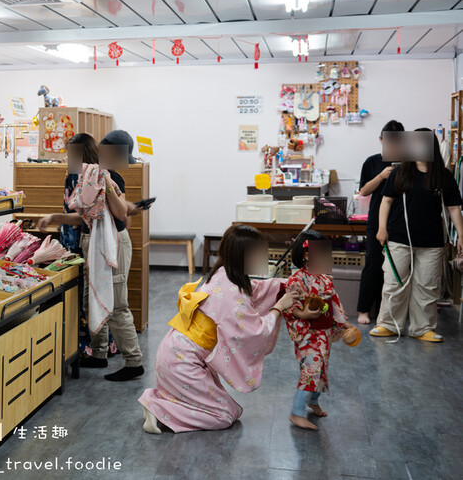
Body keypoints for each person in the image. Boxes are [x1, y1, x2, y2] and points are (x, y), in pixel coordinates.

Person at [138, 225, 296, 433]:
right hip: (183, 361)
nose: (264, 258)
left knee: (229, 409)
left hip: (175, 354)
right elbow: (256, 332)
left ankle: (158, 404)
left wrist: (291, 283)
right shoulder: (233, 297)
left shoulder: (223, 273)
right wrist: (278, 307)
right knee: (223, 416)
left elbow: (257, 290)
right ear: (243, 256)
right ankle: (159, 411)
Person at [39, 133, 144, 381]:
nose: (68, 159)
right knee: (92, 299)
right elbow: (85, 218)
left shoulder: (108, 176)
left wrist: (106, 182)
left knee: (117, 304)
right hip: (93, 242)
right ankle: (99, 354)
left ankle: (134, 361)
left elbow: (121, 215)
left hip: (112, 245)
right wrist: (54, 217)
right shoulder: (84, 179)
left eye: (72, 155)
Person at [373, 128, 463, 342]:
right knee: (395, 283)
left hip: (431, 242)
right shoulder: (399, 173)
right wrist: (381, 228)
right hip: (398, 238)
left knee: (428, 286)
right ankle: (388, 324)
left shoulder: (443, 176)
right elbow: (386, 201)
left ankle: (422, 328)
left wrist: (461, 234)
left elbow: (453, 208)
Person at [282, 230, 352, 430]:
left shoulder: (325, 279)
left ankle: (313, 401)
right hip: (307, 333)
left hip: (324, 333)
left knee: (321, 370)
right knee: (311, 370)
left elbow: (335, 304)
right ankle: (296, 413)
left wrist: (345, 323)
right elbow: (288, 306)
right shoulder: (296, 280)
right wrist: (302, 315)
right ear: (306, 254)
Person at [60, 134, 119, 358]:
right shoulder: (95, 172)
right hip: (83, 238)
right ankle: (104, 345)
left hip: (79, 240)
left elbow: (76, 213)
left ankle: (91, 348)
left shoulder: (83, 176)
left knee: (87, 297)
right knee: (92, 296)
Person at [356, 120, 405, 324]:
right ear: (381, 139)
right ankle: (363, 311)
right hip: (376, 221)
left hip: (401, 223)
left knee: (396, 269)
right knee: (373, 265)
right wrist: (382, 176)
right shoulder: (372, 162)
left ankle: (386, 314)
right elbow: (364, 191)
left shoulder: (410, 163)